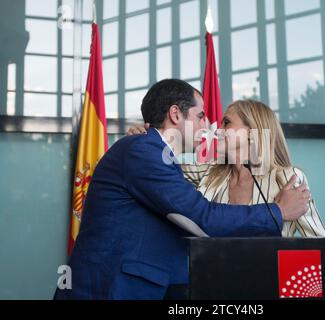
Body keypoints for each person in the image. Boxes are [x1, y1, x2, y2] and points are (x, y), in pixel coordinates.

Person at [54, 79, 311, 300]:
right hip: (110, 290)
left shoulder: (288, 178)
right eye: (201, 116)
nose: (210, 126)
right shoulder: (147, 153)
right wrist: (278, 211)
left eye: (224, 122)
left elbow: (318, 248)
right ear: (176, 115)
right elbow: (203, 218)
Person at [129, 100, 325, 237]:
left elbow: (320, 244)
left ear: (251, 133)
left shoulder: (288, 177)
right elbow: (158, 165)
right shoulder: (208, 171)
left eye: (226, 123)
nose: (218, 129)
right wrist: (145, 138)